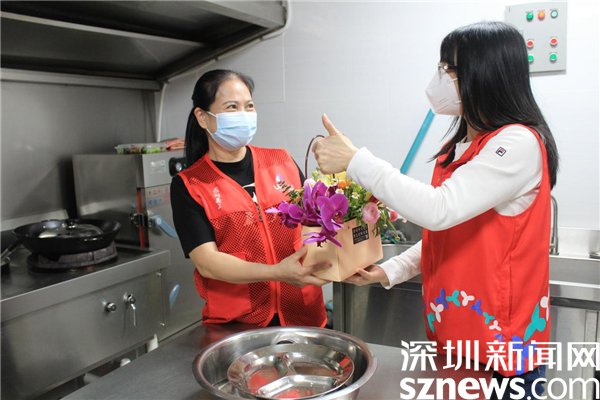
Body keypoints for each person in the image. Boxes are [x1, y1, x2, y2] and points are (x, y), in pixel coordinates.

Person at [312, 21, 558, 399]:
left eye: (449, 69)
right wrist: (391, 269)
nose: (440, 78)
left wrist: (356, 160)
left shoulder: (518, 143)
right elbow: (450, 232)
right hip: (456, 338)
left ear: (484, 74)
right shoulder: (460, 147)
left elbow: (438, 209)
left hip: (502, 353)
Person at [171, 69, 330, 328]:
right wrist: (276, 273)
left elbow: (312, 224)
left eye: (249, 106)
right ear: (202, 117)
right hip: (238, 324)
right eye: (232, 107)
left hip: (302, 314)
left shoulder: (282, 161)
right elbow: (208, 263)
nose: (243, 115)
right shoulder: (191, 185)